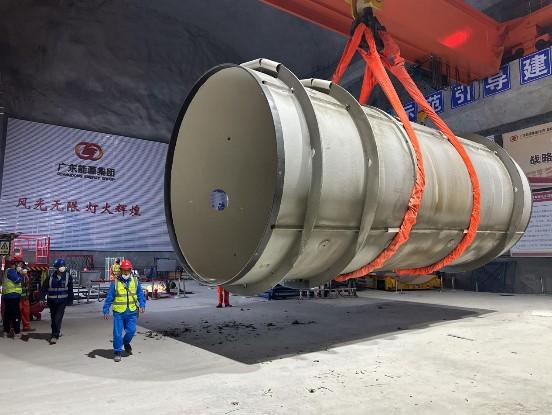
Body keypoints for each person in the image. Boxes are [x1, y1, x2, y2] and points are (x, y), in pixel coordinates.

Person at [103, 259, 146, 362]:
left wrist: (142, 304)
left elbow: (140, 294)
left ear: (130, 270)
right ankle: (117, 351)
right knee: (117, 333)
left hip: (132, 312)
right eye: (124, 270)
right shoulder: (115, 282)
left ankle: (126, 342)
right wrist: (106, 309)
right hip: (119, 313)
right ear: (121, 270)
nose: (126, 272)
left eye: (128, 270)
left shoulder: (135, 281)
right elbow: (109, 297)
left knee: (131, 331)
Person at [41, 258, 73, 344]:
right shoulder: (50, 277)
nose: (62, 267)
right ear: (56, 268)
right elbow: (44, 288)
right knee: (53, 318)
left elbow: (70, 289)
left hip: (62, 302)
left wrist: (70, 300)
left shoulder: (68, 277)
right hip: (52, 301)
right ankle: (55, 332)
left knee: (57, 318)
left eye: (63, 266)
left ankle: (55, 335)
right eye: (60, 266)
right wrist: (41, 298)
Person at [2, 256, 24, 338]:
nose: (21, 265)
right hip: (12, 296)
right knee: (16, 314)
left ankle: (6, 331)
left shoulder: (10, 271)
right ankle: (16, 332)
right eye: (20, 263)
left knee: (8, 314)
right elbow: (17, 280)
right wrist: (20, 273)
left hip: (10, 296)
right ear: (16, 264)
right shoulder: (11, 271)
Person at [19, 264, 34, 332]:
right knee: (17, 313)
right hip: (19, 298)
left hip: (25, 298)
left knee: (26, 312)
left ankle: (26, 327)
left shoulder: (26, 277)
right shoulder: (17, 276)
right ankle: (13, 328)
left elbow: (28, 286)